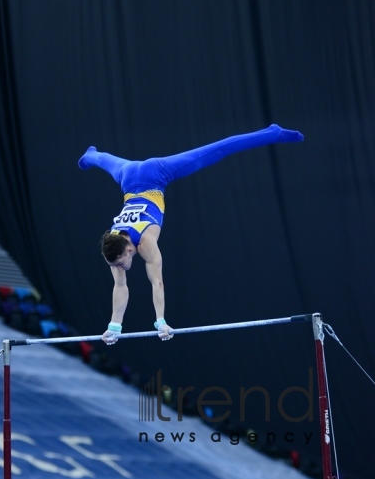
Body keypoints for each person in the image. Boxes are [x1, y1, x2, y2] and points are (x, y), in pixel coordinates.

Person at [79, 124, 304, 344]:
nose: (118, 268)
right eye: (116, 265)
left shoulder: (145, 242)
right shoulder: (113, 246)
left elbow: (157, 282)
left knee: (216, 150)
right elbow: (120, 287)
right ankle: (91, 155)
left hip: (156, 175)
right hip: (127, 177)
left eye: (119, 263)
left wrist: (160, 322)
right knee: (104, 161)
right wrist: (113, 328)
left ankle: (272, 133)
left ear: (130, 249)